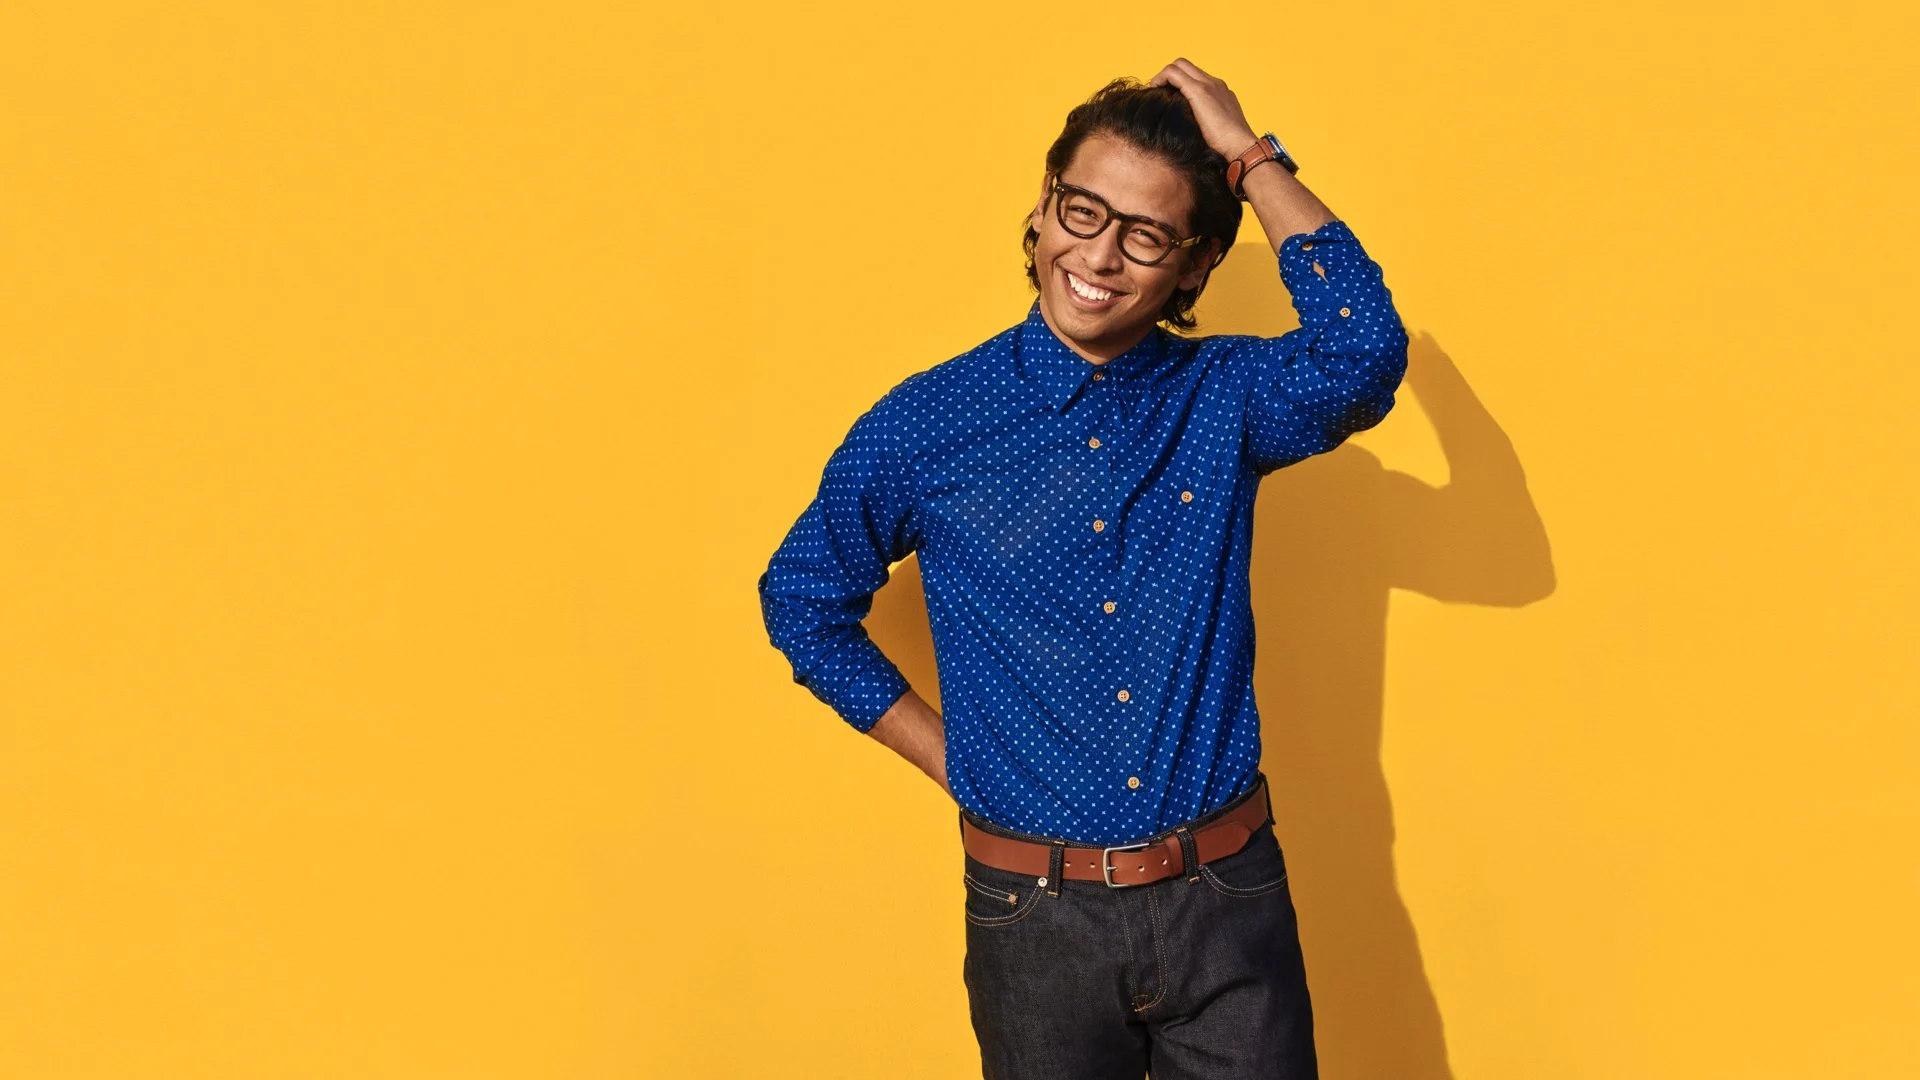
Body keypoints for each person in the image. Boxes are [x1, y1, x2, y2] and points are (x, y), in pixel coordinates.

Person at [758, 58, 1409, 1080]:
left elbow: (1363, 353)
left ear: (1194, 267)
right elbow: (801, 600)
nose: (1098, 255)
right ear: (1042, 207)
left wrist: (1250, 156)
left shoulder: (1227, 398)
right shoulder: (927, 424)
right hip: (1034, 920)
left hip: (1228, 901)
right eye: (1080, 209)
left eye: (1146, 233)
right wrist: (951, 758)